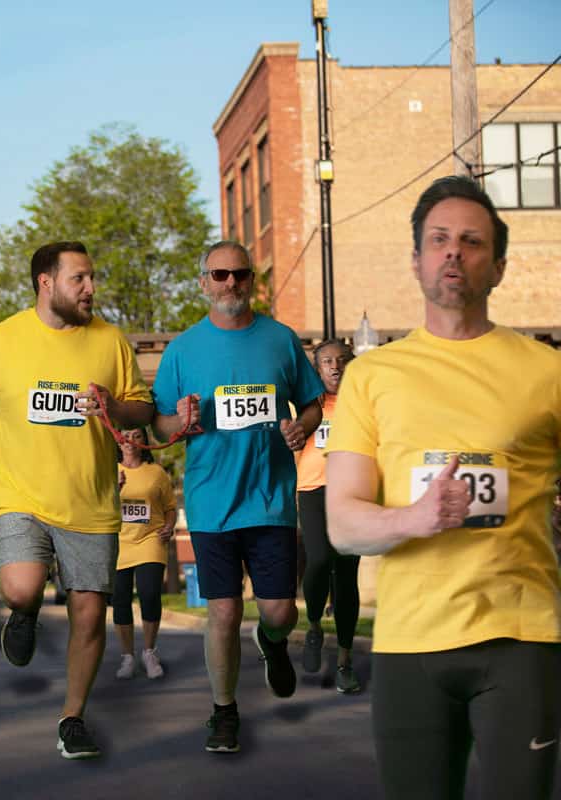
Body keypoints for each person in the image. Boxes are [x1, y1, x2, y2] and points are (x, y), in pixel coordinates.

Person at [325, 175, 561, 800]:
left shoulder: (553, 373)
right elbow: (343, 524)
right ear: (415, 261)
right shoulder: (373, 376)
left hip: (519, 642)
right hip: (410, 643)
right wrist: (415, 517)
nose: (453, 252)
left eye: (471, 241)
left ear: (500, 267)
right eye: (438, 240)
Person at [0, 241, 154, 759]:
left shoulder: (110, 341)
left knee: (88, 617)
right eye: (79, 278)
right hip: (22, 496)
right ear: (46, 282)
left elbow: (143, 410)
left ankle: (72, 718)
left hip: (91, 504)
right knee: (18, 586)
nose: (91, 288)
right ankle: (23, 611)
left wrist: (114, 407)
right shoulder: (2, 339)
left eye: (91, 278)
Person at [152, 240, 324, 754]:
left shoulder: (280, 340)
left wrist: (302, 428)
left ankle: (272, 644)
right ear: (203, 282)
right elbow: (160, 422)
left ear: (252, 280)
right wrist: (176, 423)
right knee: (222, 612)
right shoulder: (183, 349)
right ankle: (224, 712)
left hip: (270, 499)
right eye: (220, 275)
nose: (231, 284)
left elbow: (312, 404)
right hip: (210, 503)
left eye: (240, 275)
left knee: (279, 613)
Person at [296, 339, 362, 694]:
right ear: (317, 368)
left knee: (347, 574)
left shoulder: (362, 405)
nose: (335, 366)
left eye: (341, 360)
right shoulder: (307, 406)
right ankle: (314, 627)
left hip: (352, 493)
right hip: (313, 490)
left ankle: (345, 662)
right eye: (326, 362)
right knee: (320, 560)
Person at [112, 427, 177, 680]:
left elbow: (170, 508)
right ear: (118, 440)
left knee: (150, 593)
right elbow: (96, 506)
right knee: (120, 598)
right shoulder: (110, 471)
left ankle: (149, 652)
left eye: (136, 436)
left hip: (150, 539)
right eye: (125, 435)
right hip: (118, 542)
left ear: (144, 442)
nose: (130, 440)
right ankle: (127, 656)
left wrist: (170, 526)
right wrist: (113, 490)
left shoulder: (156, 473)